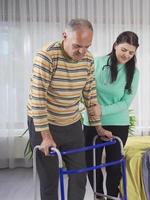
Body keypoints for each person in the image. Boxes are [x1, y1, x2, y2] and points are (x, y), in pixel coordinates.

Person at [27, 18, 110, 200]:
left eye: (87, 46)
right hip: (45, 124)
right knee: (50, 181)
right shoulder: (47, 56)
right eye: (77, 45)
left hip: (71, 123)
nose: (82, 51)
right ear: (65, 36)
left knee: (79, 176)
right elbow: (38, 98)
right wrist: (46, 137)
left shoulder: (87, 59)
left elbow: (89, 94)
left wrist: (98, 127)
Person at [82, 31, 140, 199]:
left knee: (113, 167)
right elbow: (85, 90)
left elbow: (125, 102)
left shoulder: (134, 73)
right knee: (91, 165)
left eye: (131, 52)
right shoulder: (95, 63)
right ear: (115, 45)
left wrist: (102, 110)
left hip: (118, 124)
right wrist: (94, 112)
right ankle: (98, 196)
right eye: (124, 49)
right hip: (91, 123)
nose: (127, 55)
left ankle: (112, 197)